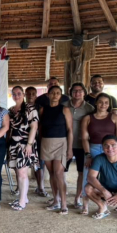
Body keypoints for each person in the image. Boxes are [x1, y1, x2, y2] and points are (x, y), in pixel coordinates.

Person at [81, 93, 117, 210]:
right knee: (88, 174)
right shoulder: (88, 118)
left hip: (112, 149)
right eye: (100, 102)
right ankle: (85, 204)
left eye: (106, 102)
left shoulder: (114, 117)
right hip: (93, 147)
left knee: (114, 174)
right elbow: (84, 138)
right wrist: (88, 154)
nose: (103, 105)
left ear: (109, 104)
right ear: (96, 103)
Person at [39, 86, 73, 214]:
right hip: (46, 143)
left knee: (59, 173)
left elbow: (70, 130)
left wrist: (69, 149)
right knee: (52, 173)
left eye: (58, 93)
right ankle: (55, 200)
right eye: (52, 93)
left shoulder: (64, 109)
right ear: (48, 95)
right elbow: (40, 129)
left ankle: (64, 204)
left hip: (61, 143)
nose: (55, 95)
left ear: (61, 96)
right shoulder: (43, 110)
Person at [62, 83, 95, 209]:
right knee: (62, 171)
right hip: (65, 143)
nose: (77, 93)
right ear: (70, 92)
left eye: (80, 91)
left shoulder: (90, 108)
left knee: (82, 172)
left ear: (84, 92)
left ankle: (77, 197)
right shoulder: (63, 106)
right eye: (75, 91)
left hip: (82, 145)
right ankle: (62, 195)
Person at [7, 86, 39, 211]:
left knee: (22, 172)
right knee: (18, 171)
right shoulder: (10, 110)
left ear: (23, 94)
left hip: (25, 145)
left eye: (19, 93)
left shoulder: (31, 109)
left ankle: (22, 202)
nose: (16, 96)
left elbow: (34, 127)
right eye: (14, 94)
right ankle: (23, 197)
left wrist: (29, 145)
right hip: (13, 144)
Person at [25, 86, 48, 197]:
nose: (30, 96)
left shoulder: (41, 108)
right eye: (28, 93)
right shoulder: (20, 107)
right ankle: (20, 186)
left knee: (39, 163)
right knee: (21, 163)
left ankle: (41, 187)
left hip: (38, 138)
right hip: (23, 138)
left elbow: (42, 125)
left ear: (36, 95)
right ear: (25, 94)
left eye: (33, 94)